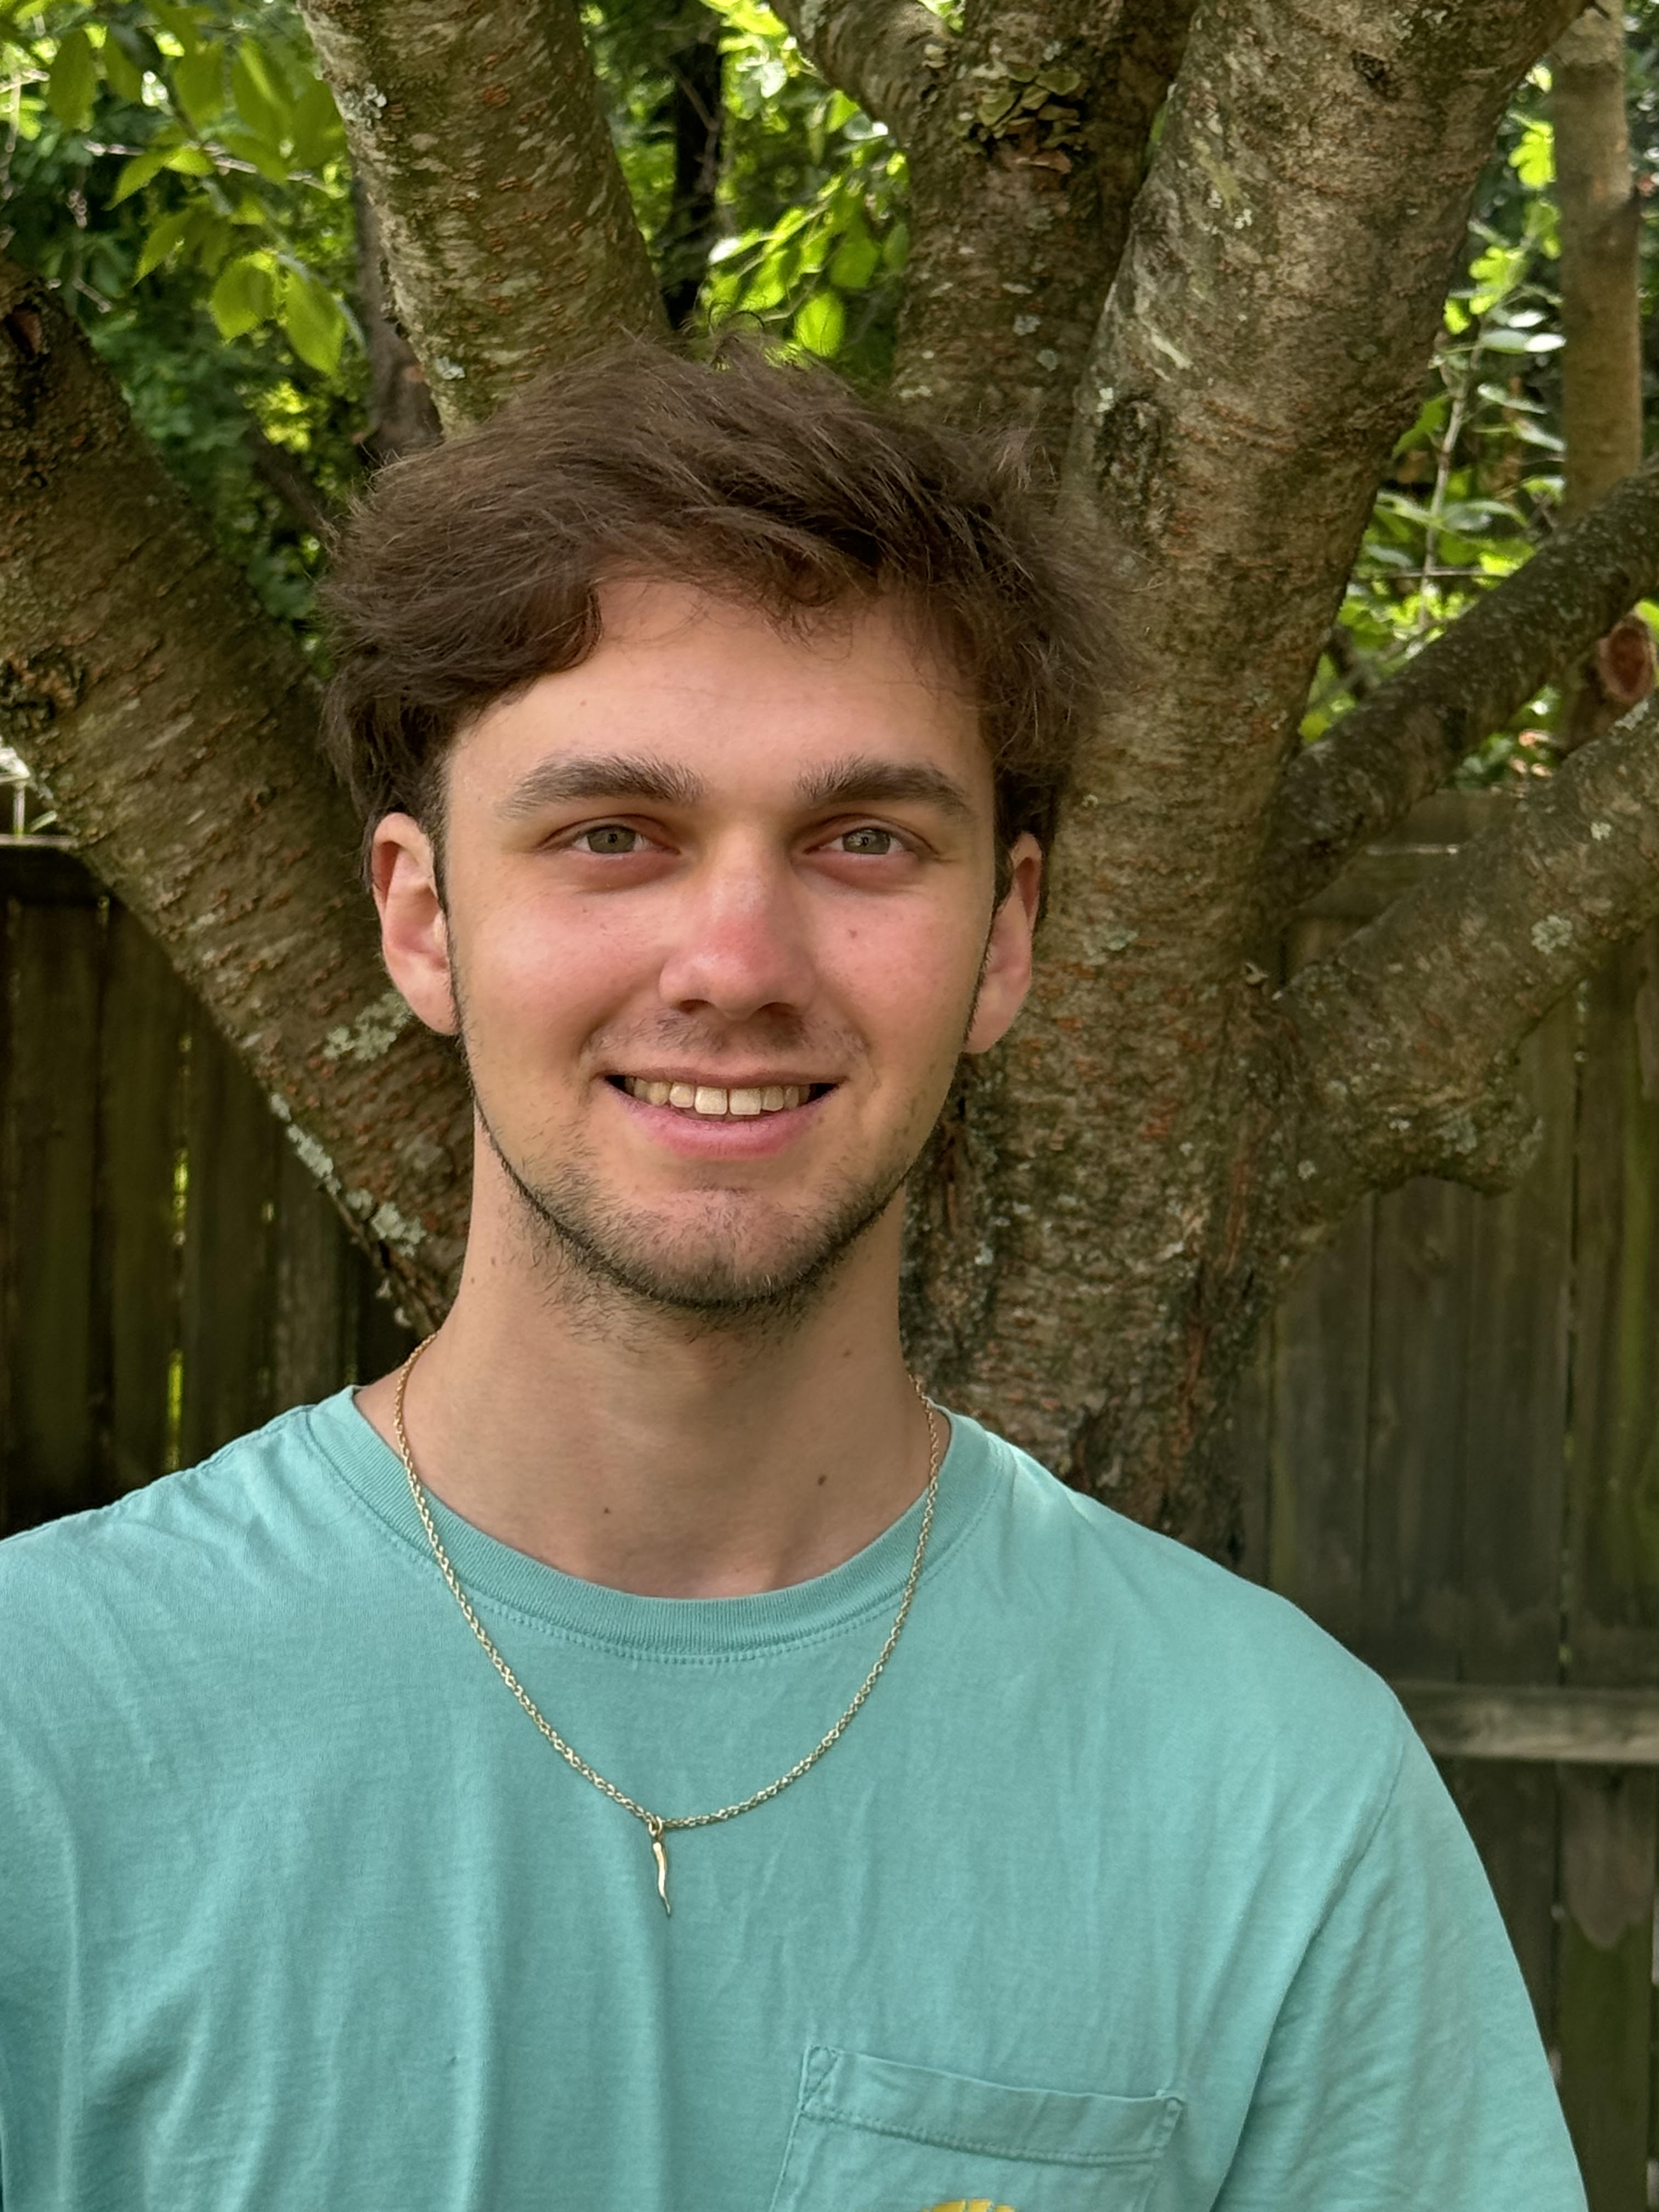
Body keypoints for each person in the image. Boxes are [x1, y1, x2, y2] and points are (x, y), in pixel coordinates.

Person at [0, 343, 1584, 2212]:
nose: (737, 959)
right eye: (614, 835)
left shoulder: (1278, 1793)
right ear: (424, 919)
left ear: (1006, 936)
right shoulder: (47, 1736)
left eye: (863, 841)